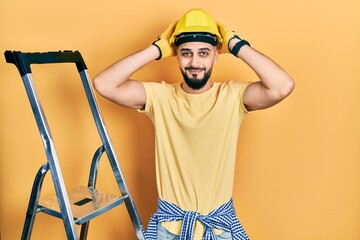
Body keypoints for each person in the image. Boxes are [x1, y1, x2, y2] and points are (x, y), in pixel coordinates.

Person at [93, 8, 294, 240]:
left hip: (219, 227)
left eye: (204, 53)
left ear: (216, 55)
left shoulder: (232, 97)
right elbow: (104, 84)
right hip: (169, 228)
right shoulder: (160, 97)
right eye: (186, 53)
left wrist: (236, 44)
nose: (195, 62)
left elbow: (282, 86)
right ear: (175, 55)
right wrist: (156, 49)